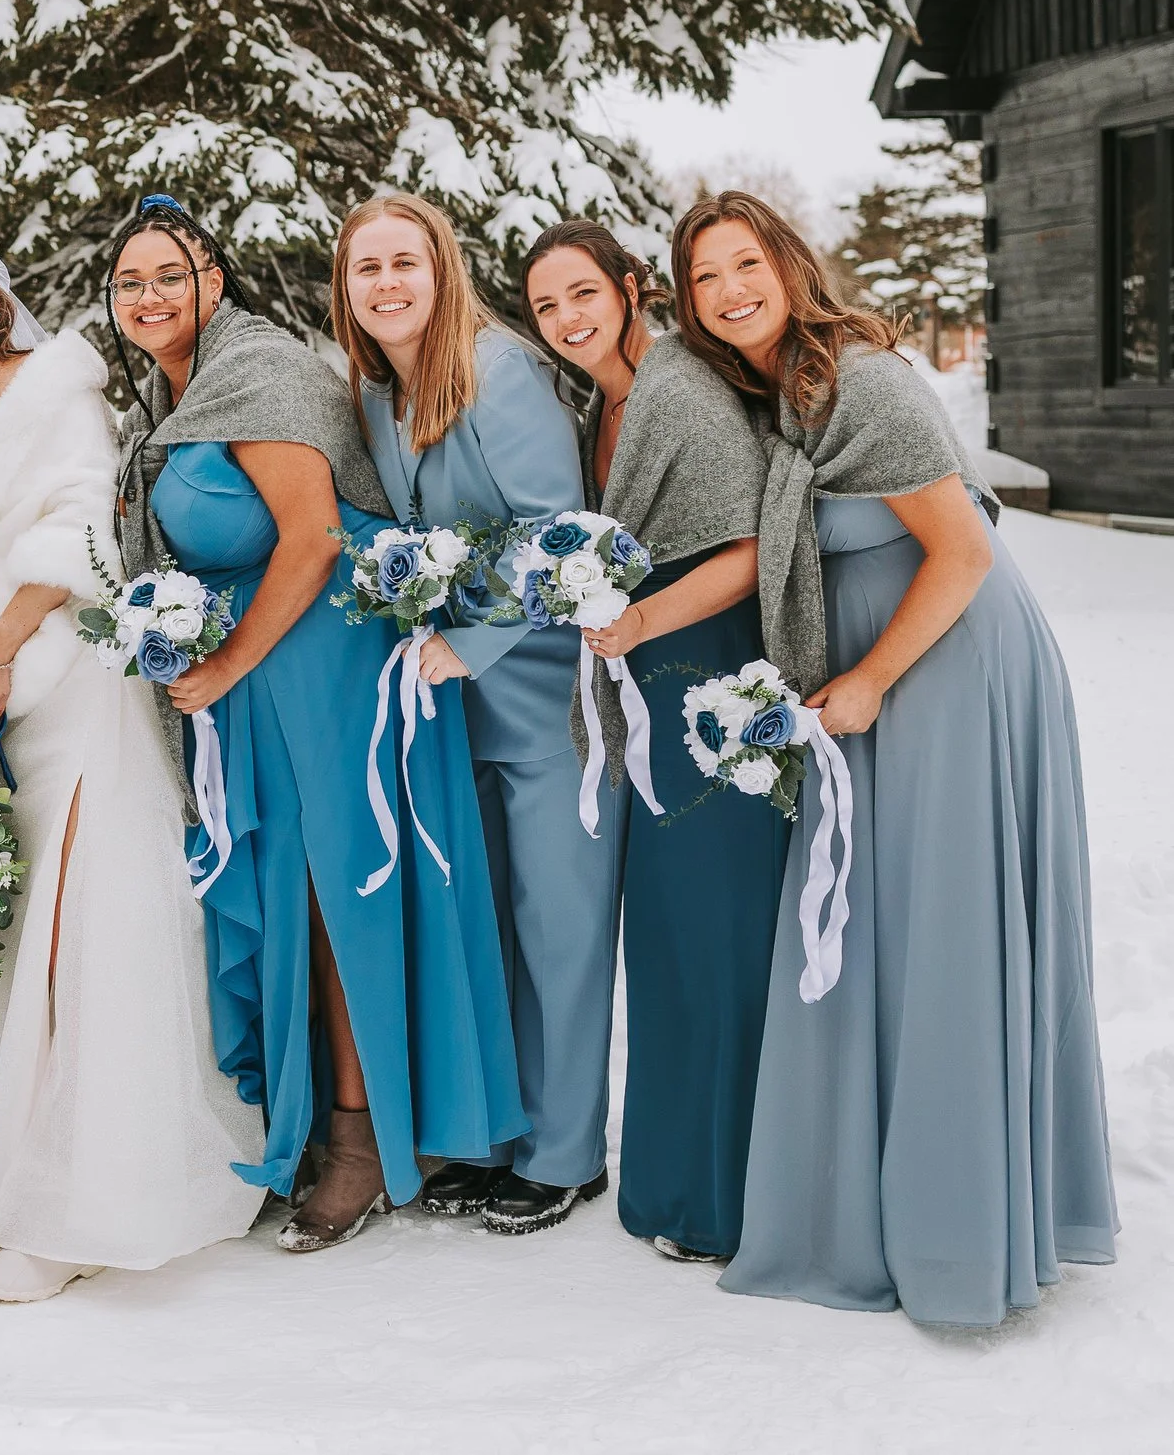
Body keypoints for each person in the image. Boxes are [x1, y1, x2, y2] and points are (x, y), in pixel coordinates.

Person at [674, 192, 1117, 1327]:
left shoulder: (861, 378)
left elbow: (964, 547)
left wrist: (870, 679)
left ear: (787, 263)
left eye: (744, 264)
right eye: (704, 277)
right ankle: (864, 1201)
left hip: (948, 664)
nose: (728, 291)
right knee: (874, 927)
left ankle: (957, 1231)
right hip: (878, 678)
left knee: (940, 929)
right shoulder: (776, 398)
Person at [111, 196, 524, 1252]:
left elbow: (314, 536)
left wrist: (225, 660)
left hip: (324, 659)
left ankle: (357, 1138)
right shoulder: (172, 389)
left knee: (342, 889)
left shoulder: (266, 369)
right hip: (264, 671)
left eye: (171, 271)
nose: (149, 294)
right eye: (128, 281)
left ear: (215, 277)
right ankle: (298, 1122)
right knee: (288, 889)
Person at [0, 221, 261, 1304]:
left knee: (88, 940)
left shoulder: (58, 392)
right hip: (9, 712)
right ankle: (23, 1178)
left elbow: (80, 534)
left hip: (74, 692)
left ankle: (93, 1206)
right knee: (27, 952)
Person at [341, 192, 624, 1235]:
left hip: (542, 684)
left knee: (558, 920)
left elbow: (559, 533)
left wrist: (473, 639)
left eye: (404, 262)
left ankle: (564, 1151)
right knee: (485, 920)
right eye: (366, 267)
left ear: (440, 268)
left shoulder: (497, 373)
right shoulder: (376, 390)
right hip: (447, 700)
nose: (386, 284)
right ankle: (494, 1130)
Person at [519, 220, 789, 1263]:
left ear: (632, 288)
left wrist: (633, 622)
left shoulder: (678, 390)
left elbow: (749, 550)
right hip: (651, 692)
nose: (568, 319)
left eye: (582, 293)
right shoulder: (601, 400)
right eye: (546, 306)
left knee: (718, 934)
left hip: (709, 675)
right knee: (669, 938)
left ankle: (728, 1194)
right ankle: (675, 1181)